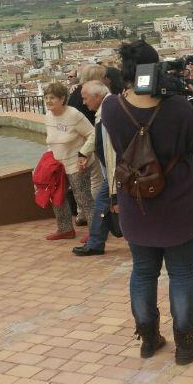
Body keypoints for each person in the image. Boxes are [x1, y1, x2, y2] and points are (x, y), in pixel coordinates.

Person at [101, 40, 193, 364]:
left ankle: (149, 338)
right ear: (156, 69)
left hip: (136, 204)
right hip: (177, 205)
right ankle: (186, 343)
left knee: (142, 272)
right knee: (181, 273)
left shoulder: (111, 108)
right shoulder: (177, 107)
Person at [43, 82, 96, 240]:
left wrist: (84, 154)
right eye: (46, 97)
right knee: (57, 197)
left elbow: (93, 133)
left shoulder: (74, 115)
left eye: (52, 98)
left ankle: (96, 231)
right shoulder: (48, 116)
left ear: (62, 99)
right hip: (58, 164)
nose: (48, 101)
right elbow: (51, 140)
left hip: (76, 162)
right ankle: (65, 229)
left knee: (83, 197)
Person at [73, 81, 115, 256]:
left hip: (115, 172)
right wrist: (83, 152)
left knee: (101, 205)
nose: (83, 103)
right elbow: (97, 136)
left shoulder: (109, 110)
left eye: (85, 98)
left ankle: (96, 243)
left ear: (97, 96)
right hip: (111, 172)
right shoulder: (103, 111)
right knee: (103, 205)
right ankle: (96, 243)